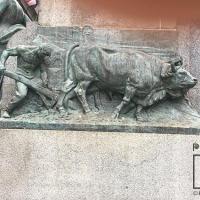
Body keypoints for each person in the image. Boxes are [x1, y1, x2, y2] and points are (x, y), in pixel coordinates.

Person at [0, 44, 51, 118]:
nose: (44, 57)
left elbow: (43, 71)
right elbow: (6, 52)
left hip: (33, 77)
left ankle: (50, 109)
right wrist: (1, 64)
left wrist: (44, 80)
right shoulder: (23, 49)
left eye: (45, 55)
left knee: (44, 90)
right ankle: (7, 111)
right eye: (43, 54)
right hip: (20, 75)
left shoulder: (41, 57)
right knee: (22, 94)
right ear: (40, 49)